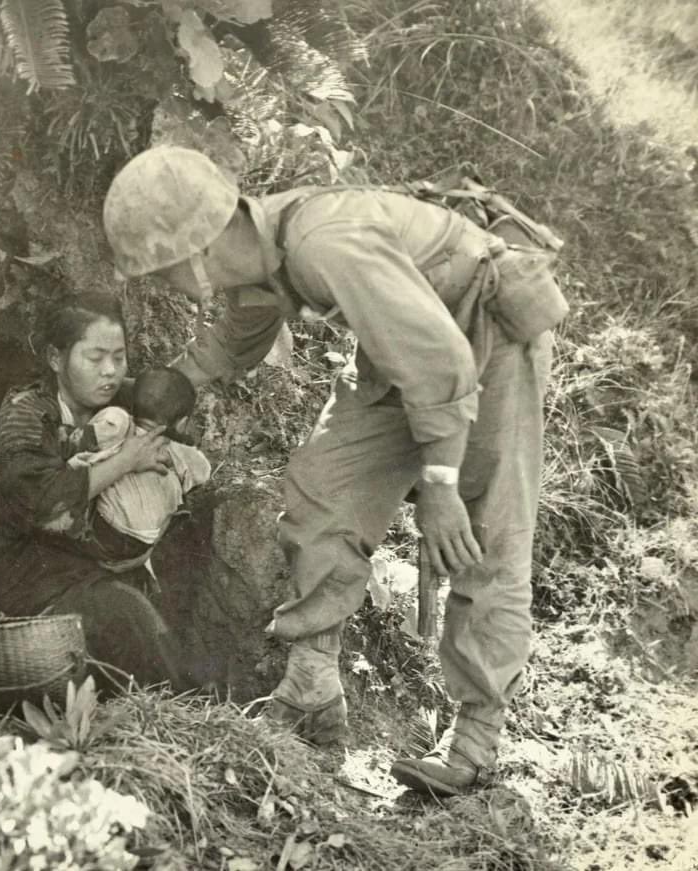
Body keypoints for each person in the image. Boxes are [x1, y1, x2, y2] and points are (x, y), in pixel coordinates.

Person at [102, 145, 563, 797]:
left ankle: (476, 738)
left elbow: (443, 363)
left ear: (195, 254)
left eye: (162, 273)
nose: (166, 287)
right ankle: (313, 684)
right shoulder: (263, 254)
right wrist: (179, 378)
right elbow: (242, 329)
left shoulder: (324, 244)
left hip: (484, 341)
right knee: (323, 486)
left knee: (484, 535)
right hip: (403, 350)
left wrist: (438, 487)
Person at [0, 291, 188, 690]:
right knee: (127, 617)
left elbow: (178, 424)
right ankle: (178, 717)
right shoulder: (25, 416)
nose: (110, 372)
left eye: (119, 357)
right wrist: (126, 461)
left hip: (109, 570)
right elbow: (42, 503)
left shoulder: (126, 399)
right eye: (94, 359)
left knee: (158, 622)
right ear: (56, 359)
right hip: (41, 583)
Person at [70, 367, 211, 550]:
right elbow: (204, 472)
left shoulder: (120, 422)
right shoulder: (180, 452)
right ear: (182, 424)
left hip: (104, 530)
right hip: (142, 542)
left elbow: (86, 440)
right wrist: (173, 460)